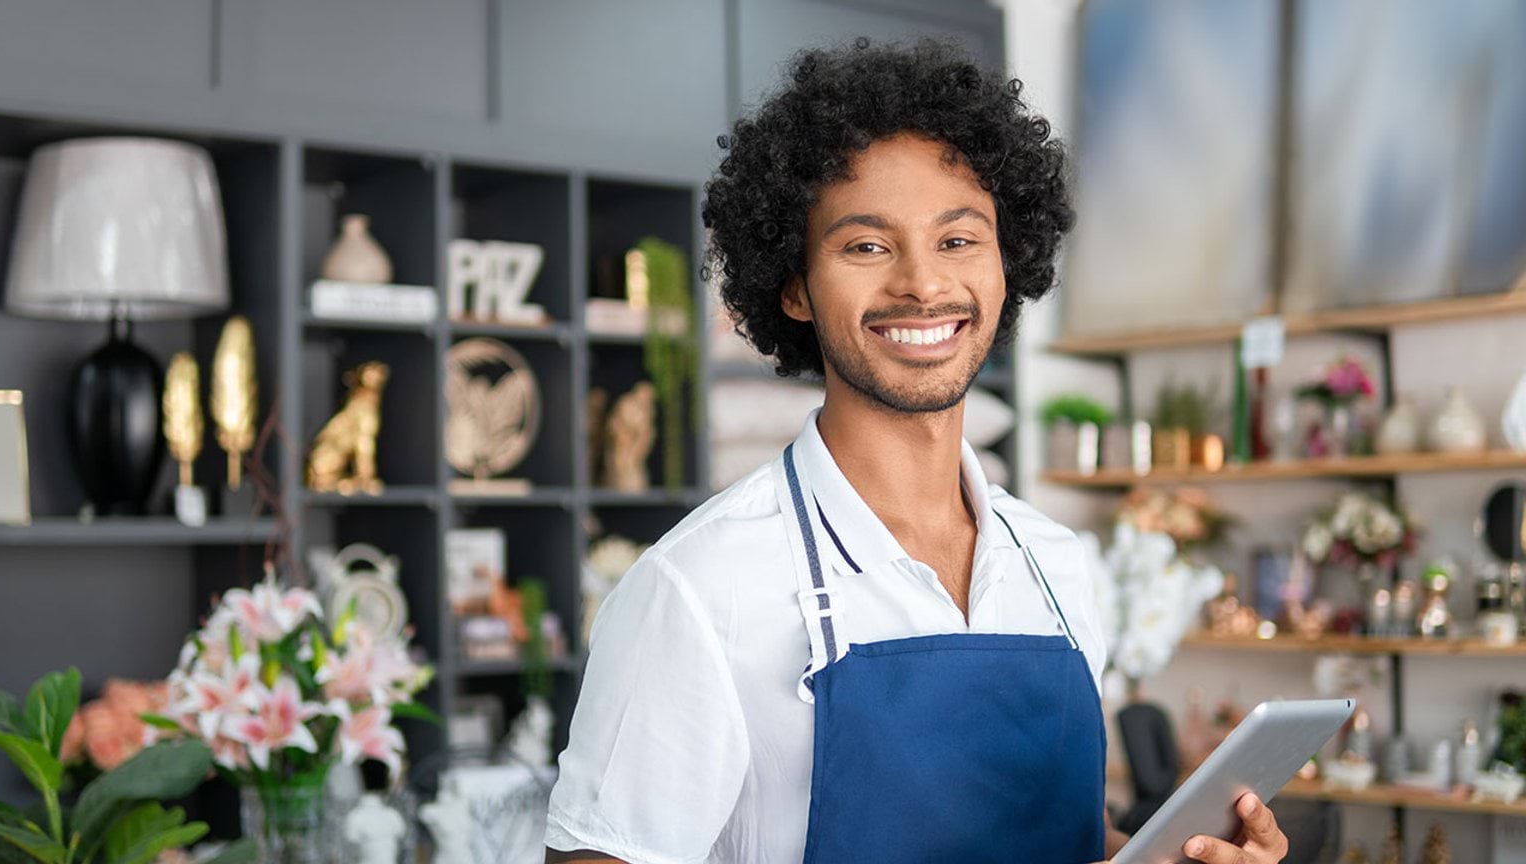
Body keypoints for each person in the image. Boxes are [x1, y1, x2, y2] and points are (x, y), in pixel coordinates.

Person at [545, 38, 1290, 864]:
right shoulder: (698, 590)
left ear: (1009, 261)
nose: (923, 285)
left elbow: (1060, 834)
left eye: (959, 239)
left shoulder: (1055, 563)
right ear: (792, 285)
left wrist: (1169, 857)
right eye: (866, 246)